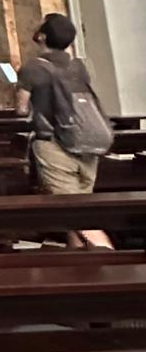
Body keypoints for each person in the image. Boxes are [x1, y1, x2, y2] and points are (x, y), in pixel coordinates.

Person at [15, 13, 113, 247]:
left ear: (42, 36)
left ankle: (115, 261)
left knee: (75, 213)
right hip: (87, 143)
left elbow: (20, 109)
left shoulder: (33, 68)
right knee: (77, 209)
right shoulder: (79, 66)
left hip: (55, 145)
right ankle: (81, 267)